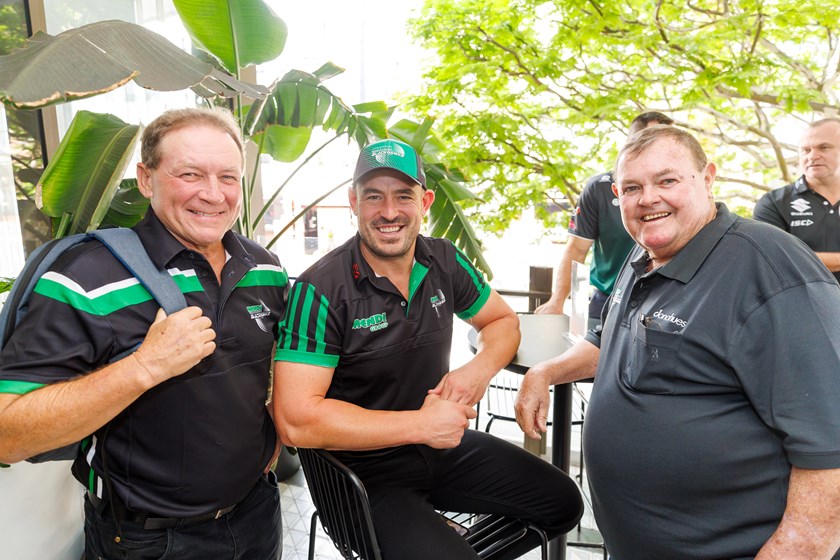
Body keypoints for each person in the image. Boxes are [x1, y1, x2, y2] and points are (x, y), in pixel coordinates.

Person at [516, 125, 840, 559]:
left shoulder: (770, 269)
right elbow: (609, 336)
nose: (648, 198)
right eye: (632, 187)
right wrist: (546, 371)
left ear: (707, 179)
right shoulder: (645, 250)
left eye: (667, 180)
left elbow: (829, 454)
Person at [273, 139, 583, 560]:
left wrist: (477, 370)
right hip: (361, 475)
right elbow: (295, 420)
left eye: (404, 196)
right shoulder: (320, 289)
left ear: (426, 202)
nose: (389, 212)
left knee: (563, 503)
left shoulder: (444, 261)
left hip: (438, 448)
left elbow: (503, 321)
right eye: (373, 197)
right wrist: (421, 425)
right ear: (353, 202)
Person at [0, 107, 288, 560]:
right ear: (146, 179)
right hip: (150, 541)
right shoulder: (86, 278)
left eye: (228, 177)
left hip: (257, 516)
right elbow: (8, 432)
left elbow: (261, 368)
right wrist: (145, 366)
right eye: (190, 174)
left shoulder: (264, 268)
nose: (214, 195)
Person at [536, 112, 673, 328]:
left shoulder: (681, 189)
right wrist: (557, 300)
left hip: (665, 299)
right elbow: (576, 249)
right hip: (607, 299)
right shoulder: (598, 188)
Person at [753, 117, 840, 282]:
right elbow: (776, 259)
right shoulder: (774, 203)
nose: (813, 156)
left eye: (824, 147)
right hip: (806, 305)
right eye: (806, 150)